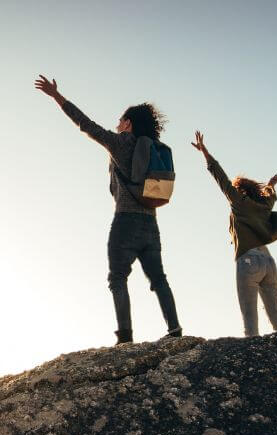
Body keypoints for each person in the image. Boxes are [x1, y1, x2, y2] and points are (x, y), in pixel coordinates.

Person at [34, 74, 182, 345]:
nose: (116, 125)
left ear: (127, 123)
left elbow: (85, 124)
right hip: (151, 223)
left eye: (119, 121)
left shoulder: (121, 143)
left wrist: (57, 96)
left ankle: (125, 337)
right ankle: (175, 329)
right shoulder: (155, 148)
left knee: (117, 278)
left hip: (125, 222)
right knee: (159, 278)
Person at [191, 130, 277, 337]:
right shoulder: (263, 205)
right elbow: (270, 198)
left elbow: (220, 177)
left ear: (239, 191)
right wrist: (270, 186)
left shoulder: (239, 203)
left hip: (249, 260)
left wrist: (205, 152)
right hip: (269, 262)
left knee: (250, 325)